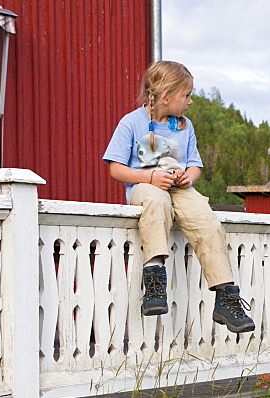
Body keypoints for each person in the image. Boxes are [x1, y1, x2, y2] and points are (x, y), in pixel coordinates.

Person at [102, 60, 255, 333]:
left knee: (205, 218)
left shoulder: (184, 127)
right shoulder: (132, 122)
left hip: (179, 188)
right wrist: (149, 177)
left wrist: (189, 177)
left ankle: (225, 294)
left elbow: (194, 164)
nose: (191, 101)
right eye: (186, 95)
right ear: (165, 96)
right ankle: (155, 279)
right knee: (156, 201)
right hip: (146, 187)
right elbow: (116, 168)